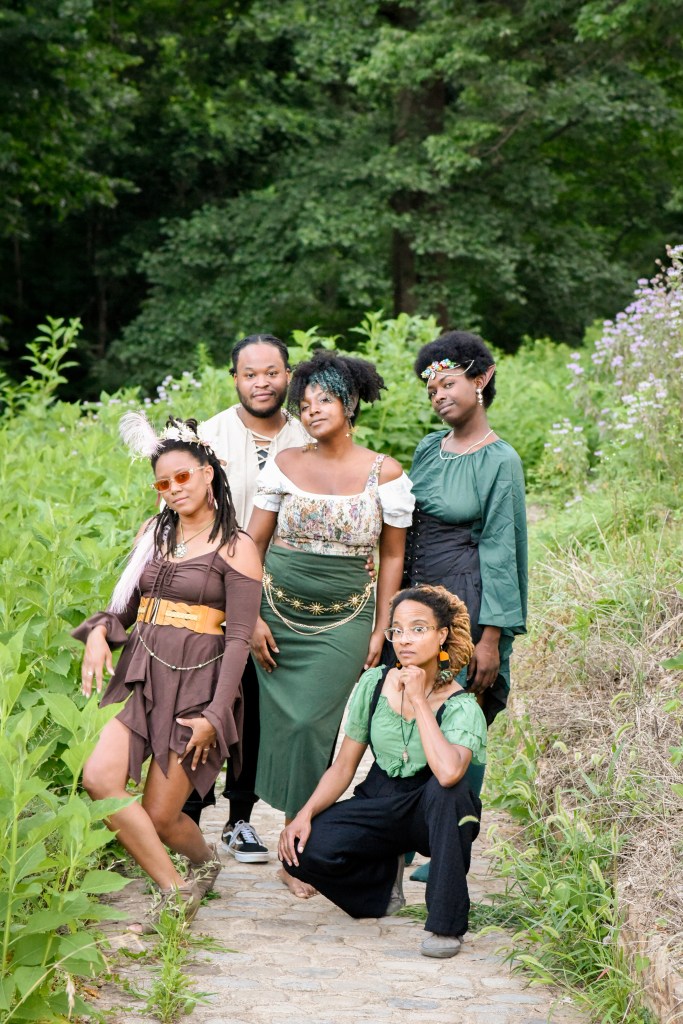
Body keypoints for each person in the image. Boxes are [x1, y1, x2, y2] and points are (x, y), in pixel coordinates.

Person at [73, 414, 262, 932]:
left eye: (182, 476)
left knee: (162, 815)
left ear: (208, 473)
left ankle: (204, 863)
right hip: (140, 673)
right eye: (163, 483)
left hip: (198, 683)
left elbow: (239, 640)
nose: (173, 488)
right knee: (99, 778)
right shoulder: (152, 533)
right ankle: (175, 891)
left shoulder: (237, 546)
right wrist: (99, 633)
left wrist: (215, 715)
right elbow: (123, 609)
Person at [248, 349, 415, 841]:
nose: (312, 410)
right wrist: (250, 616)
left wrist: (383, 628)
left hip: (346, 619)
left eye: (324, 400)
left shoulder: (385, 473)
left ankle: (297, 832)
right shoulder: (283, 465)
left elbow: (392, 557)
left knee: (310, 724)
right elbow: (252, 544)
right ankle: (293, 837)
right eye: (304, 404)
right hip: (276, 614)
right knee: (281, 724)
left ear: (350, 404)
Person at [278, 584, 486, 959]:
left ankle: (446, 924)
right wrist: (304, 815)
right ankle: (381, 886)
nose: (404, 639)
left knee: (450, 794)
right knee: (300, 852)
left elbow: (449, 773)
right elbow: (344, 766)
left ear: (442, 635)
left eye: (418, 629)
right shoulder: (374, 684)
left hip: (432, 808)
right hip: (380, 795)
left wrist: (419, 699)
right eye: (397, 630)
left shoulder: (461, 705)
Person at [404, 330, 528, 881]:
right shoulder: (428, 449)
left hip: (467, 601)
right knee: (410, 709)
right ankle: (404, 835)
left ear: (481, 380)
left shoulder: (501, 460)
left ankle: (451, 849)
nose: (439, 396)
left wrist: (490, 636)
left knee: (461, 717)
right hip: (417, 599)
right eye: (431, 389)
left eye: (449, 383)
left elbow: (501, 547)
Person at [184, 334, 310, 863]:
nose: (262, 383)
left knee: (255, 707)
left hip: (284, 594)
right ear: (234, 378)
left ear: (288, 375)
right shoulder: (208, 437)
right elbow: (185, 513)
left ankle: (240, 820)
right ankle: (185, 818)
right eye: (250, 374)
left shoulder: (308, 434)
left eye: (272, 372)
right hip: (212, 588)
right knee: (201, 698)